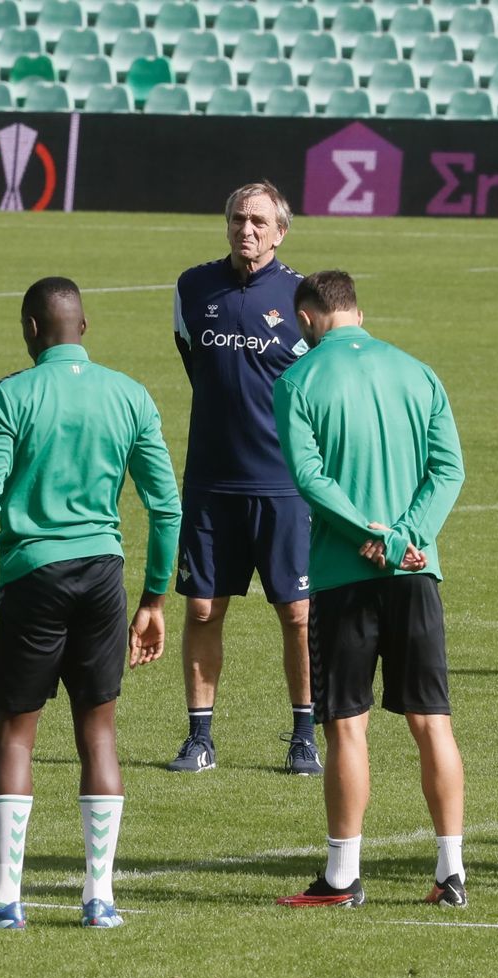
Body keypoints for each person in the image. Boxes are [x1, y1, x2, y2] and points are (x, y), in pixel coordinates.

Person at [0, 277, 181, 930]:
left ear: (31, 329)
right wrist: (154, 595)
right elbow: (165, 505)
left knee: (15, 731)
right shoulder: (130, 395)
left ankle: (6, 900)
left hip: (31, 578)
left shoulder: (11, 395)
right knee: (98, 732)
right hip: (103, 577)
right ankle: (100, 899)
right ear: (84, 328)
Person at [270, 271, 469, 910]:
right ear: (358, 311)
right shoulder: (418, 372)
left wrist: (368, 532)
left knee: (346, 728)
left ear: (306, 320)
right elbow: (449, 469)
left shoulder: (297, 380)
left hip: (344, 575)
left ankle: (342, 877)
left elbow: (307, 474)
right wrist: (409, 534)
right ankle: (451, 870)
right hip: (416, 569)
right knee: (432, 722)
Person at [168, 179, 319, 777]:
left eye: (258, 221)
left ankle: (304, 735)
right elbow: (195, 365)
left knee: (298, 615)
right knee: (203, 609)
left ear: (281, 231)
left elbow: (319, 390)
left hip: (284, 485)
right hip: (210, 483)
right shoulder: (191, 286)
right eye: (237, 219)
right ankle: (199, 737)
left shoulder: (301, 296)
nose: (246, 230)